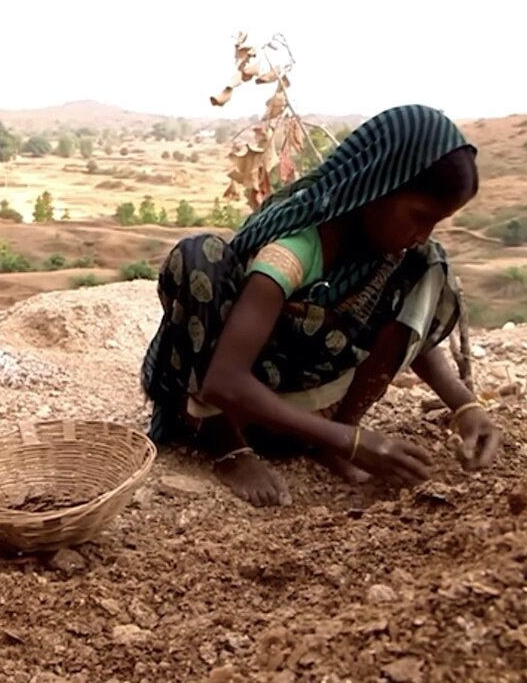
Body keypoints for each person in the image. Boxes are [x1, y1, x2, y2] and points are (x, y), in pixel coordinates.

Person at [140, 104, 503, 507]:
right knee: (198, 257)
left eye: (436, 222)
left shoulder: (388, 253)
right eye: (419, 216)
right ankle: (228, 447)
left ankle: (331, 434)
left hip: (300, 417)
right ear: (377, 185)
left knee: (428, 265)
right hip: (224, 403)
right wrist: (351, 442)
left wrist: (465, 406)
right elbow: (223, 380)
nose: (422, 234)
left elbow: (411, 331)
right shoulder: (294, 247)